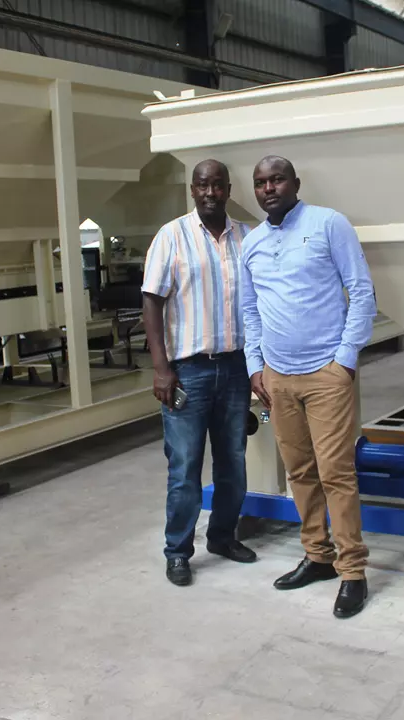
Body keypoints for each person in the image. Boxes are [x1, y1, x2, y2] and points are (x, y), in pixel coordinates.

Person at [240, 155, 377, 619]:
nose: (269, 189)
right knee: (299, 471)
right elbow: (250, 310)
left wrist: (345, 359)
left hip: (325, 374)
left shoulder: (328, 224)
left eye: (277, 179)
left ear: (295, 183)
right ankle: (318, 555)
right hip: (277, 377)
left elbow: (361, 291)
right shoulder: (253, 243)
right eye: (261, 182)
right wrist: (255, 366)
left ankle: (352, 570)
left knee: (336, 473)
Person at [141, 159, 256, 587]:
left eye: (218, 185)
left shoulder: (247, 237)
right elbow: (151, 301)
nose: (210, 192)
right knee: (186, 466)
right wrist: (161, 368)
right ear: (193, 190)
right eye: (203, 185)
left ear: (228, 189)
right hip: (188, 371)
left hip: (237, 368)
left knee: (234, 462)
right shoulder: (171, 236)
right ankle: (178, 551)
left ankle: (223, 537)